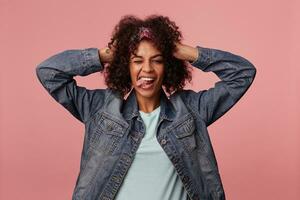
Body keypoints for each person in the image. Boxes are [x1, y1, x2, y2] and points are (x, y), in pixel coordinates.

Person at [36, 14, 256, 200]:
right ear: (125, 66)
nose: (147, 69)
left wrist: (187, 52)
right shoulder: (100, 109)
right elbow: (49, 73)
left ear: (168, 66)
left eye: (157, 60)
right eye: (137, 60)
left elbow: (242, 73)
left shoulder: (191, 111)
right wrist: (103, 56)